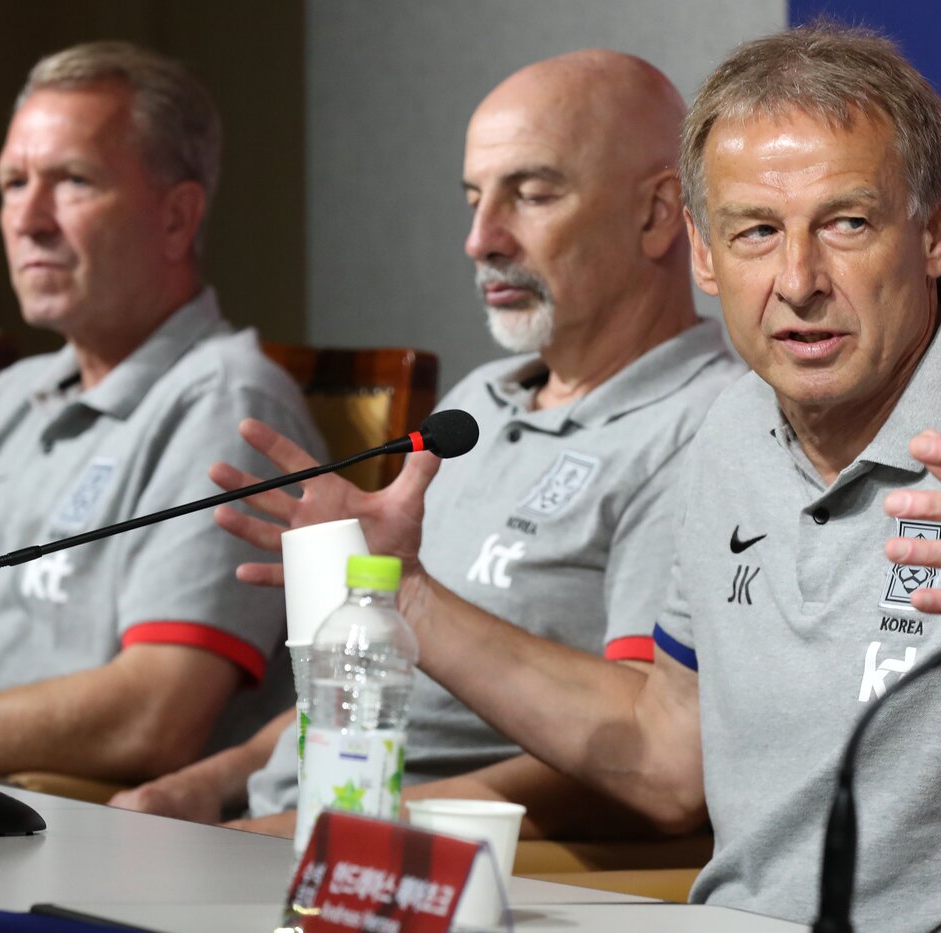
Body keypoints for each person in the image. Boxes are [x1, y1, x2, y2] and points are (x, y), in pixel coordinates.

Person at [220, 26, 941, 929]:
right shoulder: (732, 427)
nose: (795, 282)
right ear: (702, 253)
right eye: (754, 231)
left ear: (931, 232)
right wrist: (409, 597)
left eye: (845, 224)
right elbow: (664, 760)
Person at [110, 49, 742, 833]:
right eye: (474, 199)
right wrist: (208, 784)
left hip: (425, 862)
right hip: (290, 823)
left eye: (532, 194)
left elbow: (646, 752)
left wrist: (360, 826)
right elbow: (387, 685)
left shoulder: (708, 425)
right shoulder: (475, 403)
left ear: (656, 214)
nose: (481, 239)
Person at [0, 41, 320, 784]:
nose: (29, 219)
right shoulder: (3, 399)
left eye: (72, 181)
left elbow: (153, 716)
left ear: (176, 217)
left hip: (78, 837)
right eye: (12, 182)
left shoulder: (229, 406)